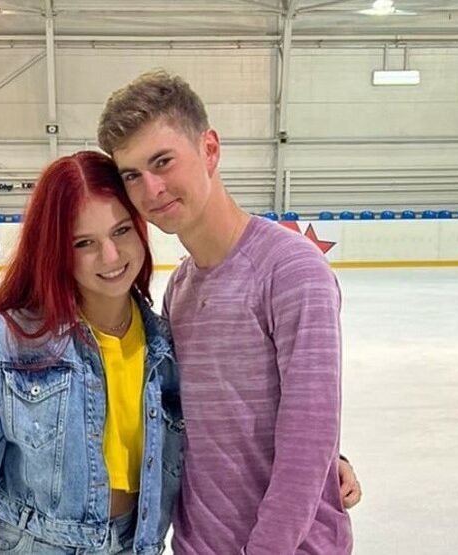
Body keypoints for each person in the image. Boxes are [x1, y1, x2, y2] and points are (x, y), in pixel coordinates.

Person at [98, 71, 354, 554]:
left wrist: (324, 460)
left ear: (210, 150)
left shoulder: (291, 270)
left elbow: (308, 434)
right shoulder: (181, 288)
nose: (151, 189)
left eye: (163, 162)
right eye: (132, 175)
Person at [0, 151, 184, 555]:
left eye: (121, 231)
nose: (111, 256)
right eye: (84, 243)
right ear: (56, 251)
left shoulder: (166, 349)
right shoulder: (9, 345)